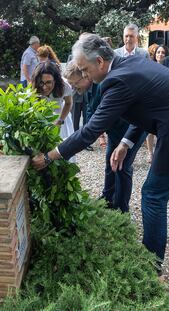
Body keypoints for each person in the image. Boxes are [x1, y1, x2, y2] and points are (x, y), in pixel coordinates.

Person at [32, 34, 169, 280]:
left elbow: (90, 131)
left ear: (100, 62)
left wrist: (49, 156)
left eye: (84, 69)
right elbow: (151, 106)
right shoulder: (130, 65)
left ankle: (148, 267)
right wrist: (125, 142)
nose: (84, 75)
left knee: (153, 195)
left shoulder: (116, 80)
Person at [64, 60, 146, 213]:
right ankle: (107, 199)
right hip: (114, 131)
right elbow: (91, 110)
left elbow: (102, 115)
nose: (73, 88)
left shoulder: (103, 84)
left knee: (122, 167)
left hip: (129, 129)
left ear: (85, 76)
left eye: (75, 83)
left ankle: (122, 209)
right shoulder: (87, 87)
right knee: (110, 163)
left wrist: (86, 136)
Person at [32, 61, 75, 162]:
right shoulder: (34, 87)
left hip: (60, 118)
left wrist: (60, 121)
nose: (44, 87)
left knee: (62, 150)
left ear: (55, 80)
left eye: (48, 82)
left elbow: (68, 103)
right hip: (42, 119)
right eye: (41, 82)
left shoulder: (64, 86)